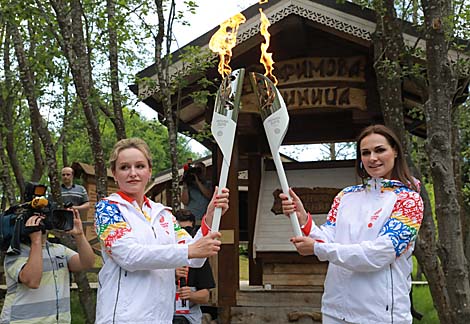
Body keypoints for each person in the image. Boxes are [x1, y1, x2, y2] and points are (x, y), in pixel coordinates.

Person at [280, 124, 424, 324]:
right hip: (335, 311)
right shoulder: (346, 195)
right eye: (365, 153)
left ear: (395, 151)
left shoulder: (408, 201)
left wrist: (318, 249)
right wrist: (303, 217)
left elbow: (378, 254)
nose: (372, 158)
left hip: (380, 315)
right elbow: (327, 239)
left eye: (380, 150)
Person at [94, 138, 229, 324]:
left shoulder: (163, 215)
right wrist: (189, 251)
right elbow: (129, 256)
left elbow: (195, 259)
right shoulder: (108, 209)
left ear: (149, 171)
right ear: (115, 174)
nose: (133, 173)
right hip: (122, 318)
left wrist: (210, 217)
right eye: (125, 167)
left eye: (140, 166)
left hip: (161, 318)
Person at [0, 210, 95, 323]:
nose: (42, 221)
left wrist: (79, 235)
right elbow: (32, 281)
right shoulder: (16, 252)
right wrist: (36, 241)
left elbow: (87, 263)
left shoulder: (59, 249)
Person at [173, 209, 216, 324]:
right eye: (180, 231)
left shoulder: (198, 258)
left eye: (188, 230)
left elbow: (205, 296)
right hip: (164, 315)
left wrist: (191, 295)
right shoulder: (163, 255)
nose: (184, 235)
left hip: (189, 317)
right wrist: (172, 276)